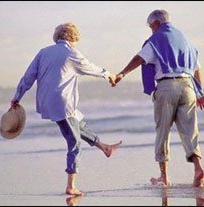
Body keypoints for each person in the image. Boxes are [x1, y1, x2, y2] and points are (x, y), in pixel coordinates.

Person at [10, 22, 122, 196]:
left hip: (47, 101)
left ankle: (104, 147)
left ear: (58, 36)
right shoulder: (71, 53)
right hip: (62, 102)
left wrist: (17, 97)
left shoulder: (43, 52)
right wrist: (109, 75)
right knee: (74, 141)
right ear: (73, 37)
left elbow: (28, 77)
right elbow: (89, 67)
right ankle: (71, 186)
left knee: (79, 124)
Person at [113, 9, 204, 187]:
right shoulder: (185, 40)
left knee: (163, 132)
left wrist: (122, 73)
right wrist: (199, 93)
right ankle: (198, 168)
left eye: (151, 26)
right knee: (190, 131)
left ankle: (164, 178)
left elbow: (140, 58)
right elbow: (196, 68)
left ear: (157, 23)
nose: (151, 30)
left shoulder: (157, 38)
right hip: (188, 86)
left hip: (167, 87)